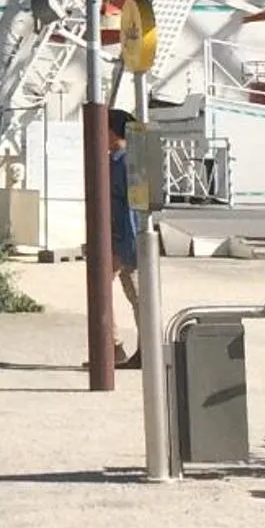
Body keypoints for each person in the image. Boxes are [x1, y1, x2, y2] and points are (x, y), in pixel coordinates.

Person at [108, 105, 142, 368]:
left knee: (138, 298)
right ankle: (114, 347)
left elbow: (131, 209)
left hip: (124, 241)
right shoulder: (119, 161)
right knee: (135, 297)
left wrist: (130, 250)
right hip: (119, 240)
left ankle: (122, 348)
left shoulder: (123, 163)